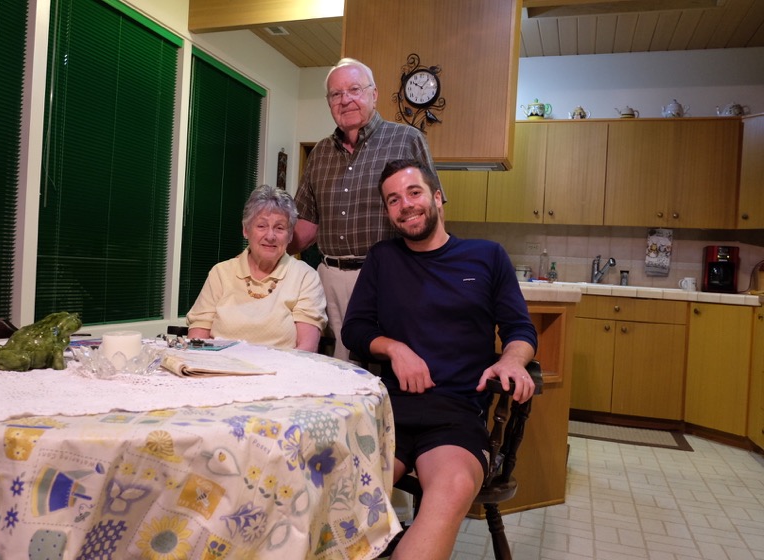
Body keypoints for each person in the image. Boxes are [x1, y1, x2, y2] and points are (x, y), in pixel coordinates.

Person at [341, 160, 538, 560]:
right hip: (388, 414)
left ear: (437, 197)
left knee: (452, 489)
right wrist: (394, 348)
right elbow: (355, 328)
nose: (405, 205)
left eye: (413, 193)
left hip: (457, 415)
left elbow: (520, 328)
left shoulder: (486, 256)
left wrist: (513, 361)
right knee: (341, 494)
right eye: (393, 200)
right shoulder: (383, 258)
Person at [289, 57, 443, 361]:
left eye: (354, 90)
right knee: (336, 364)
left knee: (385, 361)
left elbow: (433, 212)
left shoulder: (407, 139)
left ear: (374, 94)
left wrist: (436, 274)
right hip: (329, 279)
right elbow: (306, 224)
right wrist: (263, 254)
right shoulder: (320, 152)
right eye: (336, 94)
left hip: (387, 275)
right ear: (329, 102)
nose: (345, 99)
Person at [187, 184, 327, 352]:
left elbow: (307, 347)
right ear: (246, 230)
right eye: (261, 226)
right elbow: (197, 338)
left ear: (290, 235)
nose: (270, 236)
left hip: (280, 367)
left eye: (279, 228)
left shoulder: (305, 277)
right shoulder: (221, 273)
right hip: (221, 366)